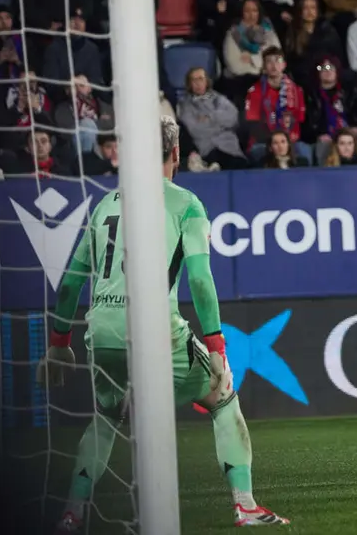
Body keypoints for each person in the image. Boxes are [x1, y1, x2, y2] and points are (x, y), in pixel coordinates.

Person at [40, 116, 288, 532]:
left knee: (106, 416)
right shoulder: (185, 203)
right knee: (223, 396)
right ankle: (245, 506)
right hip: (155, 329)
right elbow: (201, 280)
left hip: (100, 330)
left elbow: (69, 283)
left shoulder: (105, 205)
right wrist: (216, 346)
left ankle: (72, 511)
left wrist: (59, 343)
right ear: (176, 153)